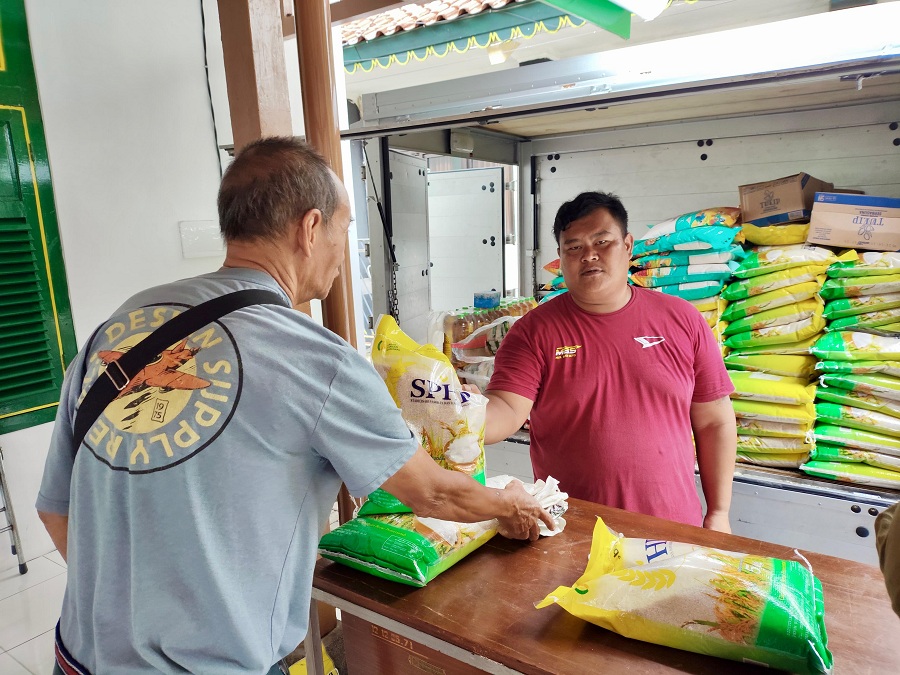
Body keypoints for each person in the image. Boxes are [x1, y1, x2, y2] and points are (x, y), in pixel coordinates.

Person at [36, 137, 552, 675]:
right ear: (310, 229)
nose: (342, 254)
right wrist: (508, 503)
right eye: (343, 230)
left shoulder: (121, 325)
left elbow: (55, 507)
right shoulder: (315, 358)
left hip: (77, 658)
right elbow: (432, 492)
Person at [483, 191, 736, 531]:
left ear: (628, 246)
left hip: (674, 528)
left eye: (602, 242)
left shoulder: (682, 319)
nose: (589, 255)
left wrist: (718, 513)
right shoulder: (533, 332)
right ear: (561, 257)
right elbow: (507, 409)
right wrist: (463, 413)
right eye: (574, 247)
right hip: (575, 532)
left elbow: (714, 422)